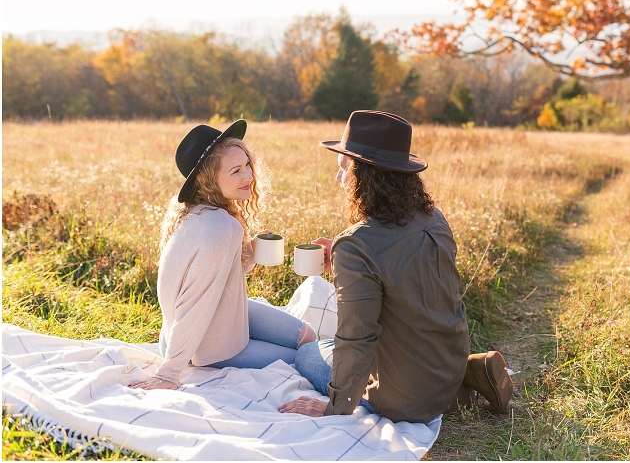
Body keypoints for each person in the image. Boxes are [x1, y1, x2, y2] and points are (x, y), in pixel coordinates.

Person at [278, 110, 513, 423]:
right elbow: (405, 277)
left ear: (365, 175)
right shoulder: (435, 219)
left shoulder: (357, 244)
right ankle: (462, 379)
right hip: (446, 363)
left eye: (343, 169)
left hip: (404, 398)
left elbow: (356, 338)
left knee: (310, 352)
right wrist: (341, 257)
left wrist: (335, 407)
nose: (338, 179)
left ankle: (435, 391)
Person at [129, 119, 317, 391]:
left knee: (307, 335)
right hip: (205, 347)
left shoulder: (196, 211)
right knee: (305, 357)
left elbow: (218, 277)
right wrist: (169, 374)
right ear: (209, 180)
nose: (249, 176)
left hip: (204, 322)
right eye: (236, 171)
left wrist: (248, 254)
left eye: (247, 165)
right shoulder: (220, 227)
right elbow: (196, 302)